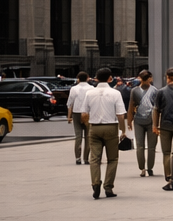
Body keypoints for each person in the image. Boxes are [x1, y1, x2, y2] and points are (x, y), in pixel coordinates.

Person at [82, 67, 128, 199]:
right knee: (112, 159)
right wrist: (123, 130)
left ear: (96, 78)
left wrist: (89, 125)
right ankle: (108, 187)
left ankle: (95, 183)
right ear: (110, 78)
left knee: (94, 159)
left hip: (94, 126)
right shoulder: (115, 93)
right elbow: (120, 114)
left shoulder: (89, 93)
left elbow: (84, 113)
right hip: (111, 127)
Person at [127, 70, 161, 177]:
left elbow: (131, 106)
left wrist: (129, 120)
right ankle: (147, 168)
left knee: (141, 146)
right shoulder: (155, 90)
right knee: (149, 146)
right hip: (150, 120)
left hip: (141, 120)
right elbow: (157, 108)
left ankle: (144, 168)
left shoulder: (135, 90)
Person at [67, 71, 93, 165]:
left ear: (78, 79)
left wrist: (69, 116)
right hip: (88, 113)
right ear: (87, 78)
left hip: (76, 113)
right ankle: (86, 158)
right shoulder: (91, 88)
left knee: (78, 136)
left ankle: (78, 158)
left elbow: (70, 103)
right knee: (88, 136)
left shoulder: (74, 89)